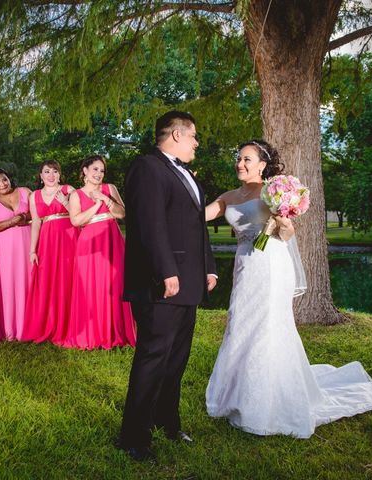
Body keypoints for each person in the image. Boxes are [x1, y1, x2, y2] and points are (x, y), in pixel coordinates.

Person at [204, 140, 372, 438]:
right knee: (240, 323)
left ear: (262, 164)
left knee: (267, 327)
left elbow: (289, 233)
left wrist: (282, 220)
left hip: (272, 265)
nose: (240, 163)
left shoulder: (271, 191)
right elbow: (200, 214)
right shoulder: (227, 196)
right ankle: (236, 396)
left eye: (247, 159)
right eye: (238, 158)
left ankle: (265, 402)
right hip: (244, 266)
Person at [119, 111, 217, 460]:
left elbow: (195, 226)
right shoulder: (147, 167)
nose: (196, 143)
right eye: (194, 137)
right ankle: (133, 437)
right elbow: (149, 223)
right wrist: (165, 270)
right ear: (176, 134)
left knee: (176, 358)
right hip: (160, 282)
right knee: (153, 357)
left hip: (189, 282)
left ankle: (166, 421)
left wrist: (209, 267)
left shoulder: (187, 174)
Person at [67, 155, 136, 349]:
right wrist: (96, 205)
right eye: (95, 169)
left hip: (111, 239)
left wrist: (104, 198)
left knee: (113, 284)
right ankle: (90, 334)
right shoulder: (76, 195)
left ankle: (114, 332)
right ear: (85, 171)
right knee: (91, 286)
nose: (99, 174)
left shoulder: (109, 188)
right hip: (89, 243)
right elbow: (76, 221)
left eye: (102, 170)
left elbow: (123, 214)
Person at [21, 160, 78, 346]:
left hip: (69, 237)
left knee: (68, 279)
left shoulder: (68, 190)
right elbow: (36, 223)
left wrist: (66, 203)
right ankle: (50, 325)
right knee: (48, 280)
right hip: (47, 242)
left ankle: (71, 326)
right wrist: (32, 250)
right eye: (47, 172)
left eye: (55, 171)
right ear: (41, 175)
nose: (51, 175)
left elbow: (79, 215)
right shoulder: (34, 195)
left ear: (59, 175)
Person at [0, 169, 32, 341]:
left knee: (28, 281)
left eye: (4, 180)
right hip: (4, 249)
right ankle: (8, 327)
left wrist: (25, 216)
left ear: (9, 179)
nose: (2, 184)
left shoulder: (25, 192)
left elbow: (38, 212)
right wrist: (12, 221)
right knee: (7, 285)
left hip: (26, 242)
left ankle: (29, 326)